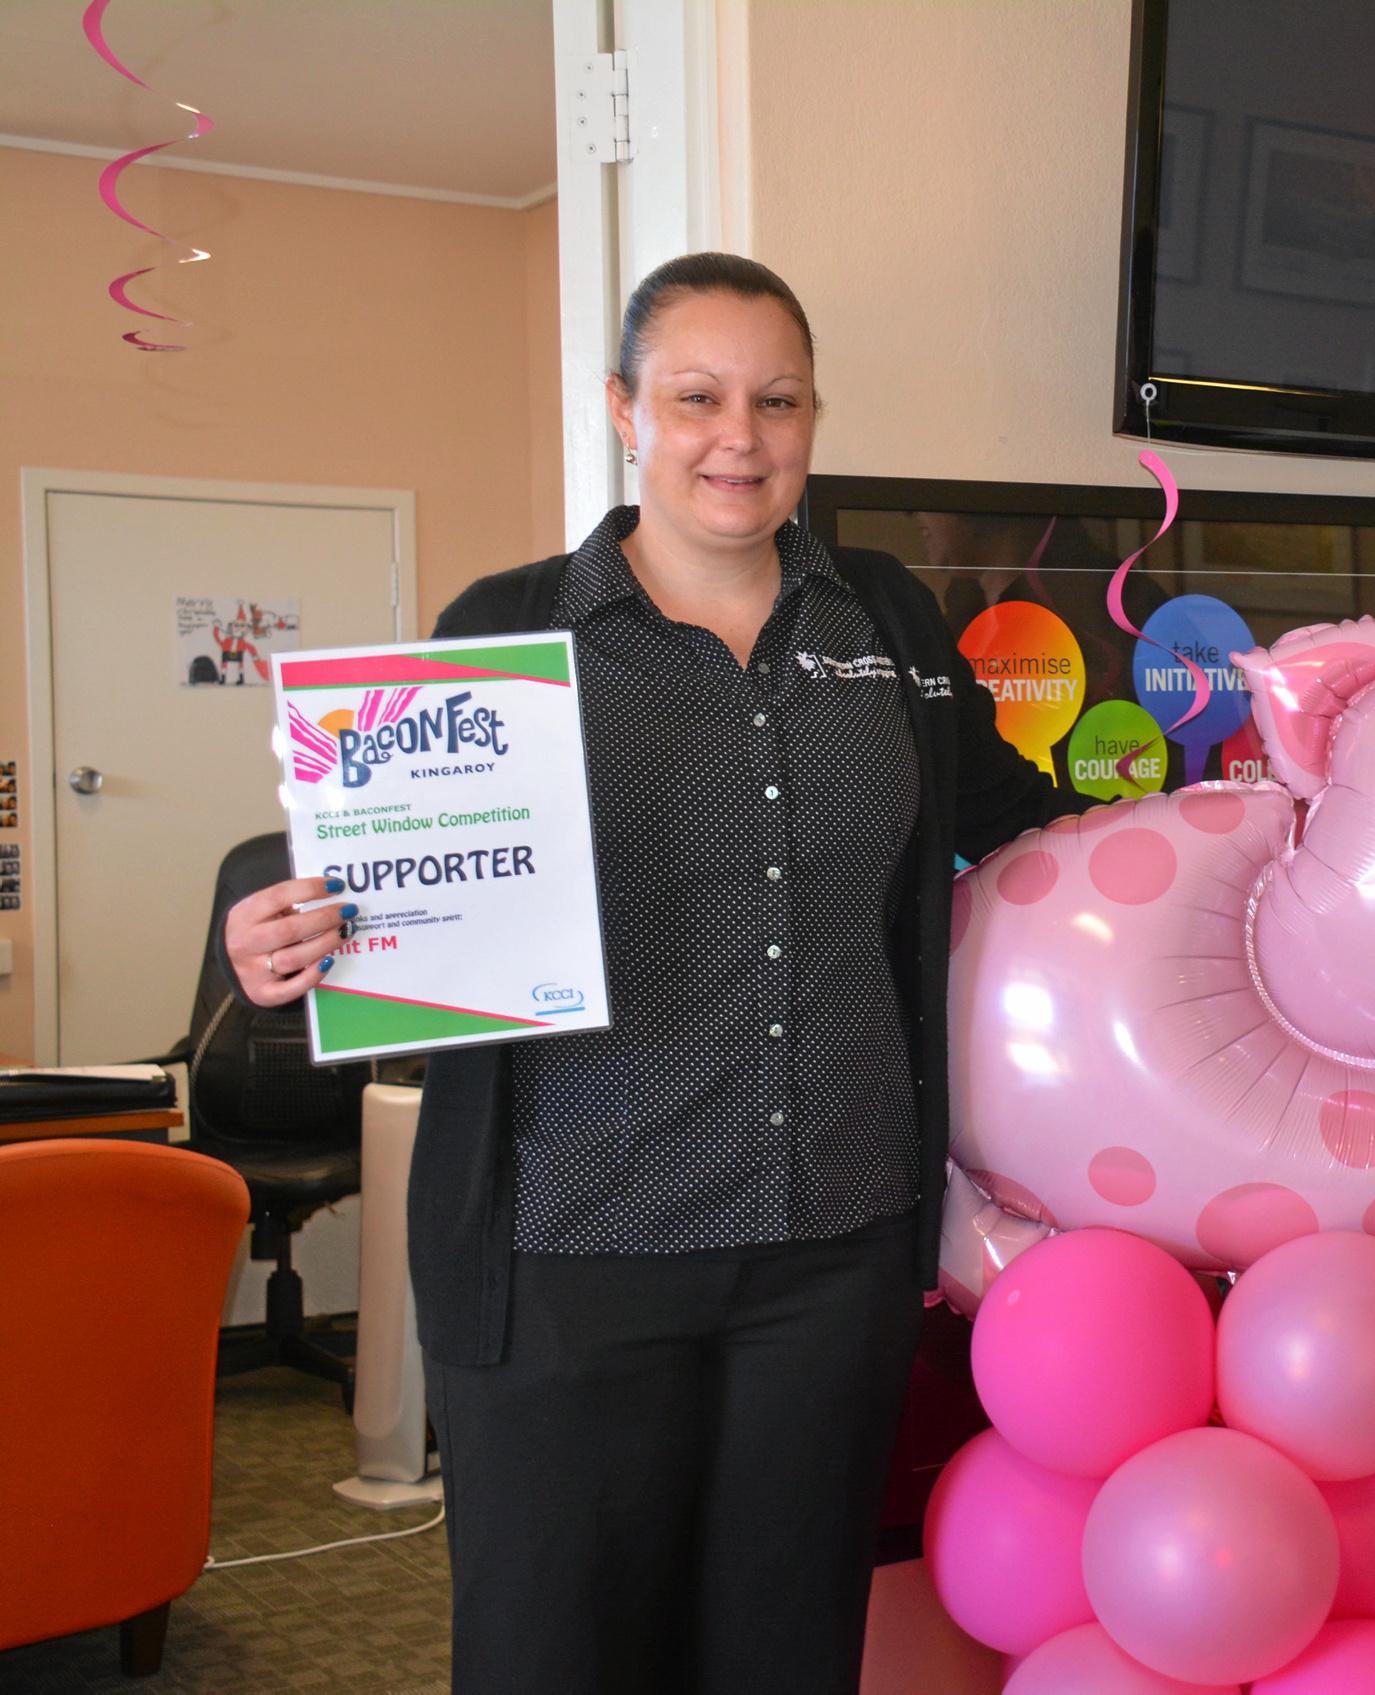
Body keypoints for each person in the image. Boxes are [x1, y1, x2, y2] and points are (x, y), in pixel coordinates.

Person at [220, 253, 1069, 1692]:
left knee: (783, 1646)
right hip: (571, 1248)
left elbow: (1007, 817)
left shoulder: (885, 620)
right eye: (695, 397)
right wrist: (270, 927)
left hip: (833, 1242)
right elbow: (373, 872)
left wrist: (1250, 842)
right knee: (558, 1649)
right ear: (625, 410)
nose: (737, 437)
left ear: (810, 417)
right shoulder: (509, 624)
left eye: (775, 400)